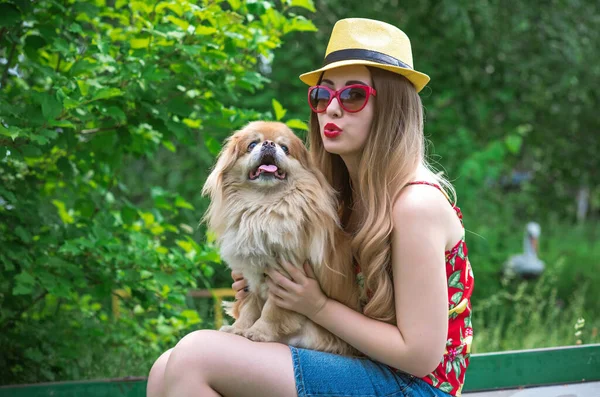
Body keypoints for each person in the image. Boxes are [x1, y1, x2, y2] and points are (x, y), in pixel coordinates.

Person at [146, 18, 474, 397]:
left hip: (413, 386)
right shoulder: (338, 195)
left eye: (352, 96)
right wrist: (260, 287)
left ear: (393, 108)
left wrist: (315, 305)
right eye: (322, 96)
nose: (331, 110)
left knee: (195, 356)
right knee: (164, 367)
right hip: (354, 362)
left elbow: (420, 356)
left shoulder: (415, 204)